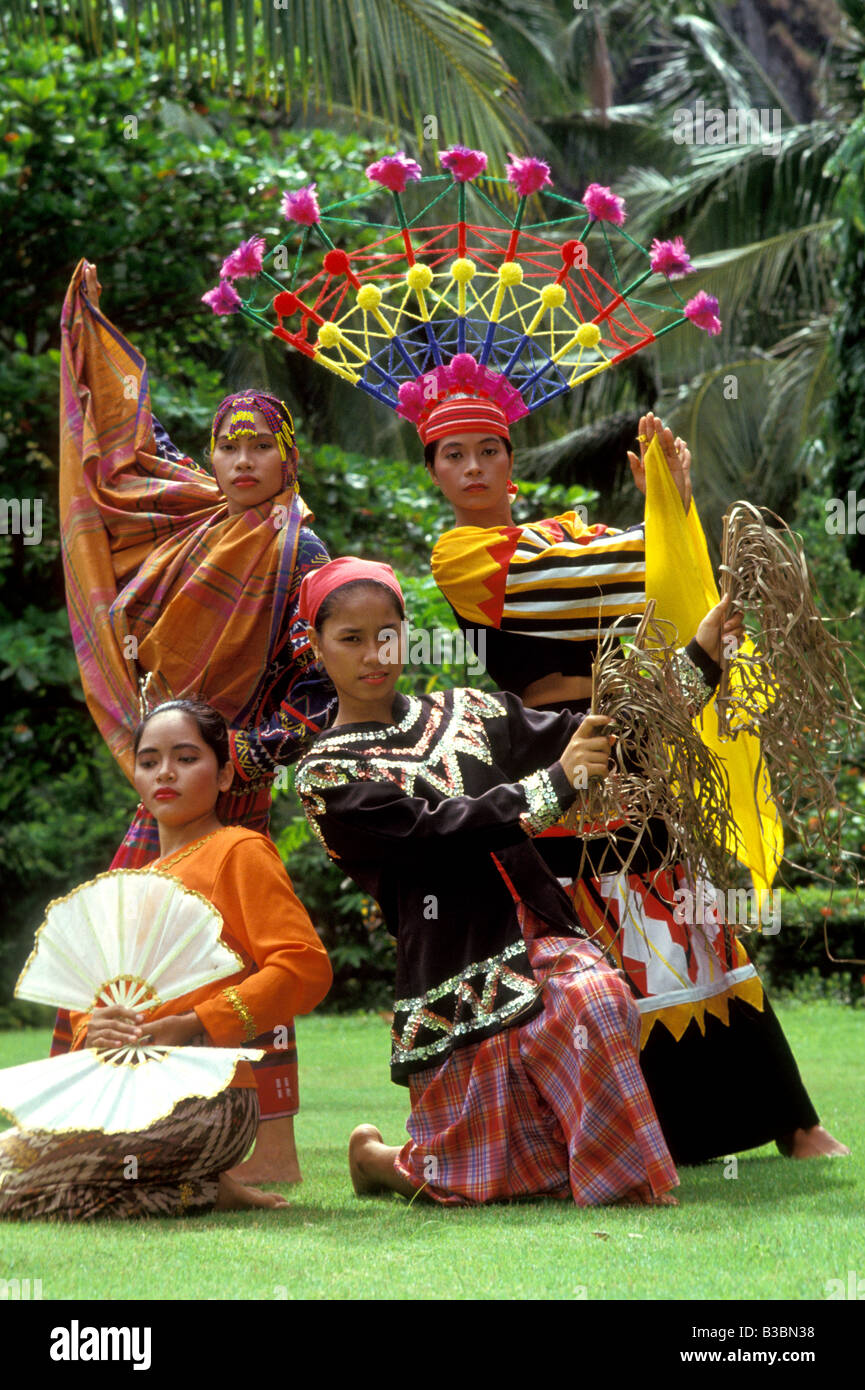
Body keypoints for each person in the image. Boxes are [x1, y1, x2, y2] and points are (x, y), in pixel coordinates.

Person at [424, 390, 848, 1163]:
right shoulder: (459, 557)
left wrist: (675, 502)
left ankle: (790, 1120)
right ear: (436, 476)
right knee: (604, 932)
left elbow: (656, 579)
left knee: (691, 920)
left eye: (488, 450)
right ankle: (664, 1129)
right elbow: (599, 575)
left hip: (636, 733)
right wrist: (658, 523)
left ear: (511, 465)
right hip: (553, 751)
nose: (473, 466)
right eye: (454, 456)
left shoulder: (559, 530)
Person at [295, 558, 739, 1205]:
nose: (373, 654)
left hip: (541, 933)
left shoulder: (469, 711)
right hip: (455, 967)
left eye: (386, 634)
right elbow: (432, 834)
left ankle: (623, 1184)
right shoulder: (324, 774)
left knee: (596, 997)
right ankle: (381, 1160)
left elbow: (609, 738)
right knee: (485, 1179)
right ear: (316, 646)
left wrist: (700, 653)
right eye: (350, 639)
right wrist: (555, 783)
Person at [54, 260, 335, 1180]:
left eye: (261, 446)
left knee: (248, 958)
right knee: (121, 940)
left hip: (236, 790)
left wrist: (249, 756)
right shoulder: (191, 521)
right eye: (229, 447)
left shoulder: (300, 546)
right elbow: (126, 459)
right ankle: (94, 1124)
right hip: (169, 775)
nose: (243, 462)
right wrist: (90, 339)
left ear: (288, 454)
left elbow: (319, 686)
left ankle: (266, 1158)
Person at [0, 699, 332, 1220]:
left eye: (185, 758)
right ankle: (201, 1192)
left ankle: (205, 1184)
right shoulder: (132, 884)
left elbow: (303, 967)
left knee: (10, 1187)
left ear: (224, 775)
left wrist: (196, 1025)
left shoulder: (239, 851)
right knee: (11, 1178)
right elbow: (101, 994)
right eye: (149, 760)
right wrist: (96, 1026)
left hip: (208, 1101)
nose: (165, 773)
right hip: (119, 1090)